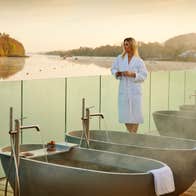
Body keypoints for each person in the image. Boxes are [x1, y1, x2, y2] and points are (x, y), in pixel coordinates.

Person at [111, 37, 148, 133]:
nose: (124, 46)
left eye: (127, 44)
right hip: (124, 91)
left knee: (136, 116)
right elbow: (113, 69)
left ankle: (132, 136)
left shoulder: (139, 61)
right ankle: (132, 135)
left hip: (135, 91)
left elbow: (144, 75)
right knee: (125, 116)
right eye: (124, 44)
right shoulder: (120, 58)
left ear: (132, 45)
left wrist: (133, 74)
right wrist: (117, 73)